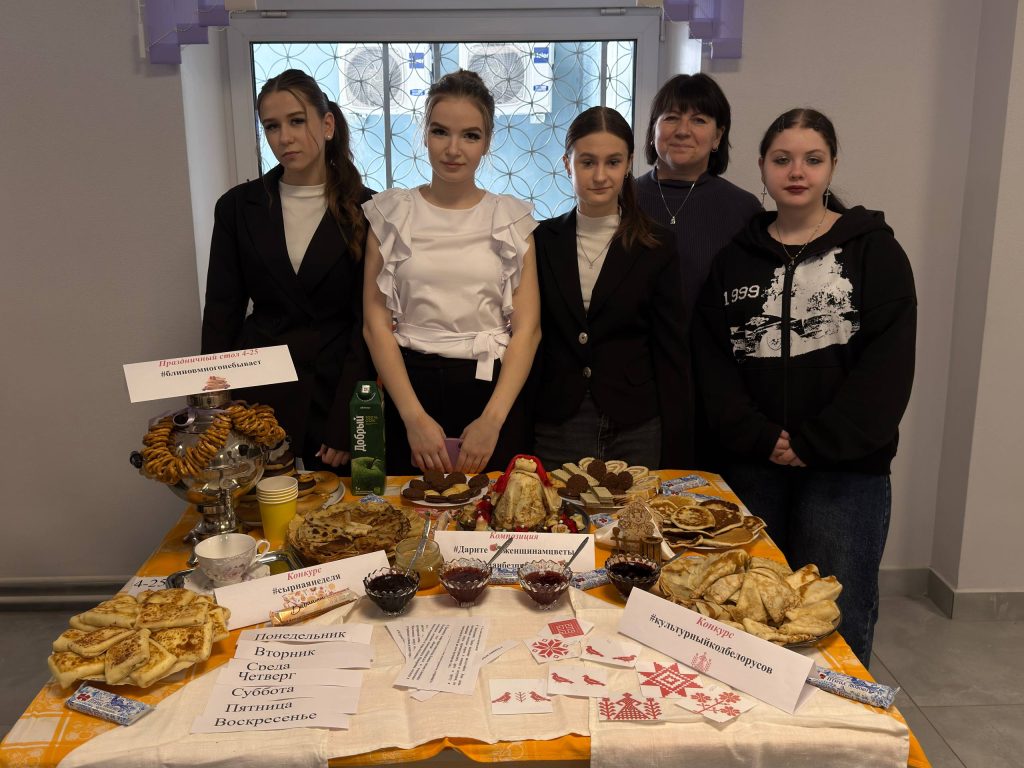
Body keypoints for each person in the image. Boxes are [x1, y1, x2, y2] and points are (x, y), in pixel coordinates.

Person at [692, 108, 917, 666]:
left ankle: (839, 719)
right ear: (762, 168)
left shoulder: (874, 252)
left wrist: (815, 442)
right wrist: (760, 437)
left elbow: (886, 369)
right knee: (743, 617)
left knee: (835, 623)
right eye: (782, 159)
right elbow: (713, 364)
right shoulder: (734, 260)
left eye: (812, 159)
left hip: (846, 474)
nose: (797, 172)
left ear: (832, 165)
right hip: (753, 467)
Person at [362, 69, 541, 476]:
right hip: (410, 391)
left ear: (487, 142)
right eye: (441, 132)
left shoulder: (510, 218)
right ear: (424, 134)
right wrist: (413, 418)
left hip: (492, 394)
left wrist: (492, 421)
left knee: (495, 511)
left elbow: (528, 331)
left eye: (470, 136)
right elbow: (375, 326)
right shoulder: (391, 214)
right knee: (409, 511)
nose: (453, 149)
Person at [202, 69, 375, 470]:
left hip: (334, 393)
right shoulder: (237, 207)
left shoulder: (369, 209)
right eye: (272, 126)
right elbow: (221, 313)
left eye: (297, 121)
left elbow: (367, 326)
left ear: (327, 125)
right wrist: (214, 409)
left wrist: (348, 421)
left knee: (336, 508)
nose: (284, 137)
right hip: (259, 395)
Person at [532, 107, 690, 469]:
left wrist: (679, 441)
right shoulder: (540, 240)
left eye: (613, 162)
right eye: (587, 162)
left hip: (636, 421)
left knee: (635, 509)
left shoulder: (657, 244)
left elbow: (671, 350)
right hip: (559, 418)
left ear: (629, 164)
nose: (600, 176)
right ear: (567, 164)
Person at [636, 73, 762, 324]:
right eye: (671, 117)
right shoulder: (621, 199)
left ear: (717, 136)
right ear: (653, 130)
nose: (683, 131)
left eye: (699, 120)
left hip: (715, 347)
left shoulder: (744, 209)